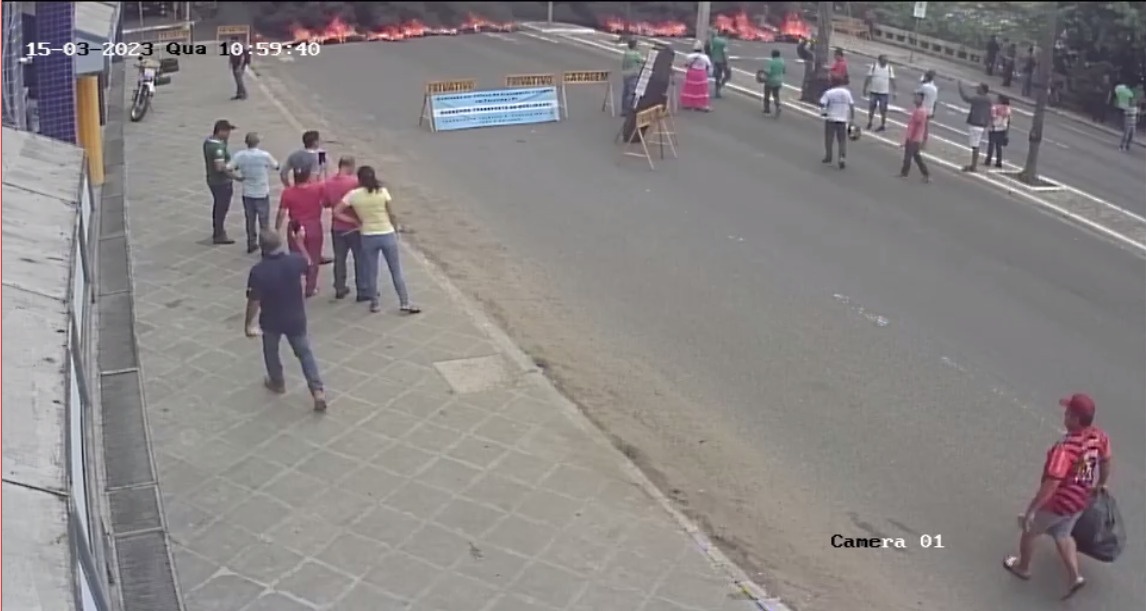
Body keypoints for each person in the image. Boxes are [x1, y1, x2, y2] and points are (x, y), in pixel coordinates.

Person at [1003, 393, 1111, 600]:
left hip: (1059, 503)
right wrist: (1101, 483)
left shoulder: (1065, 449)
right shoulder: (1098, 437)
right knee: (1063, 534)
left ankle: (1022, 567)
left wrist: (1032, 510)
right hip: (1080, 501)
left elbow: (1052, 482)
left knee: (1030, 532)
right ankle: (1074, 577)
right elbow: (1106, 459)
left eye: (1068, 413)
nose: (1065, 415)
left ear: (1076, 419)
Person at [244, 230, 327, 412]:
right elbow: (310, 264)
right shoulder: (293, 261)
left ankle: (277, 381)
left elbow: (254, 301)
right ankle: (317, 390)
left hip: (271, 320)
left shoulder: (258, 272)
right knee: (305, 354)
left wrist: (249, 323)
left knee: (271, 352)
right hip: (295, 317)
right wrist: (300, 243)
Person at [333, 166, 421, 315]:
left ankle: (374, 303)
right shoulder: (382, 192)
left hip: (368, 235)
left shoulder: (353, 195)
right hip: (386, 233)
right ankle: (404, 302)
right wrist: (395, 229)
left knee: (371, 271)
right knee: (396, 271)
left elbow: (336, 211)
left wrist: (355, 222)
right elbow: (391, 213)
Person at [275, 167, 325, 297]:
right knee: (314, 257)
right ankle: (310, 287)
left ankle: (295, 286)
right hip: (313, 226)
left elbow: (281, 213)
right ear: (307, 177)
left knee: (296, 257)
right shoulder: (316, 189)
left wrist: (277, 228)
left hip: (295, 226)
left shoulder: (287, 193)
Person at [322, 156, 366, 300]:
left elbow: (326, 203)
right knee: (359, 258)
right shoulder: (354, 182)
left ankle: (339, 287)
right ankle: (362, 289)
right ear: (350, 166)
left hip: (337, 226)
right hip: (354, 226)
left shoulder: (328, 183)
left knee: (339, 259)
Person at [228, 132, 279, 253]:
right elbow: (276, 166)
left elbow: (228, 168)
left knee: (250, 220)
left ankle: (251, 243)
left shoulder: (240, 156)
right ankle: (265, 246)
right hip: (262, 192)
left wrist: (237, 177)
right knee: (264, 222)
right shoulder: (264, 155)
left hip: (247, 192)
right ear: (257, 142)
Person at [203, 119, 241, 245]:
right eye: (227, 131)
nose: (229, 134)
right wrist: (234, 176)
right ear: (220, 131)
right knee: (221, 207)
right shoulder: (218, 148)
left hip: (212, 179)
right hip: (221, 182)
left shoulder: (208, 142)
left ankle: (218, 230)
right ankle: (219, 233)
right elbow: (220, 167)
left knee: (218, 206)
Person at [819, 74, 855, 169]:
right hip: (842, 118)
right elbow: (851, 105)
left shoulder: (829, 93)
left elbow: (822, 104)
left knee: (829, 139)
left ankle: (828, 156)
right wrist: (852, 118)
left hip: (831, 118)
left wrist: (823, 113)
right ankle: (842, 158)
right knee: (842, 140)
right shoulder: (847, 93)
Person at [957, 81, 993, 172]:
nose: (977, 89)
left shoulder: (978, 98)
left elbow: (966, 98)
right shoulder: (988, 100)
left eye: (979, 87)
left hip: (975, 123)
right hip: (982, 123)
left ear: (982, 90)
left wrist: (960, 87)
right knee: (975, 145)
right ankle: (973, 165)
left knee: (975, 145)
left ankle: (973, 166)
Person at [900, 91, 930, 182]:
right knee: (916, 157)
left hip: (914, 138)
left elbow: (916, 126)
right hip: (916, 137)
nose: (915, 99)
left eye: (917, 97)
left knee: (908, 156)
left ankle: (904, 173)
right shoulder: (921, 110)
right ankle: (926, 174)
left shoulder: (920, 111)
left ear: (921, 99)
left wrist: (910, 138)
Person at [863, 54, 896, 132]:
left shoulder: (889, 68)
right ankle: (870, 122)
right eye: (884, 60)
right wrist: (865, 88)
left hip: (884, 93)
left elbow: (892, 80)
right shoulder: (874, 67)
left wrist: (895, 91)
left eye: (886, 61)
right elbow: (868, 77)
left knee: (883, 109)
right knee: (871, 108)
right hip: (874, 91)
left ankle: (882, 124)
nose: (886, 62)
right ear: (880, 60)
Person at [679, 41, 713, 112]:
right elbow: (709, 66)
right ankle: (701, 104)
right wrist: (709, 74)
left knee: (690, 88)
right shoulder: (705, 57)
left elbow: (686, 64)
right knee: (701, 89)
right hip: (701, 73)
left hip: (692, 72)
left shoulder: (689, 56)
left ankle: (689, 104)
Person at [984, 94, 1012, 168]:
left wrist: (989, 124)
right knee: (999, 146)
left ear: (1000, 100)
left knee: (991, 144)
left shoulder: (995, 107)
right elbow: (1009, 120)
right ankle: (998, 162)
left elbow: (992, 117)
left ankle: (988, 160)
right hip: (1003, 128)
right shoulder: (1008, 109)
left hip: (994, 128)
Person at [620, 38, 643, 115]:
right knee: (631, 92)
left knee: (625, 92)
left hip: (625, 74)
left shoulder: (626, 53)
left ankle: (623, 109)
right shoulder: (636, 54)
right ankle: (629, 109)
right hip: (633, 74)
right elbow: (642, 61)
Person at [1113, 81, 1137, 150]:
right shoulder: (1128, 107)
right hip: (1128, 121)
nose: (1134, 102)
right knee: (1126, 134)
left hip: (1133, 122)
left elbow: (1137, 115)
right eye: (1132, 101)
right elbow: (1126, 114)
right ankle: (1121, 145)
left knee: (1131, 135)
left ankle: (1127, 145)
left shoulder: (1135, 107)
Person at [762, 49, 785, 116]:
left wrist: (763, 71)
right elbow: (784, 71)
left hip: (770, 81)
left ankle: (767, 110)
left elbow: (768, 72)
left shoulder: (771, 62)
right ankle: (778, 106)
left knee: (767, 95)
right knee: (776, 95)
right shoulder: (782, 62)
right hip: (779, 81)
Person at [708, 30, 731, 98]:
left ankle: (717, 90)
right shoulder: (724, 42)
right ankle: (719, 88)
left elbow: (711, 50)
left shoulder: (714, 40)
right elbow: (725, 53)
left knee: (717, 76)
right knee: (727, 75)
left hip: (714, 60)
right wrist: (728, 62)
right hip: (722, 61)